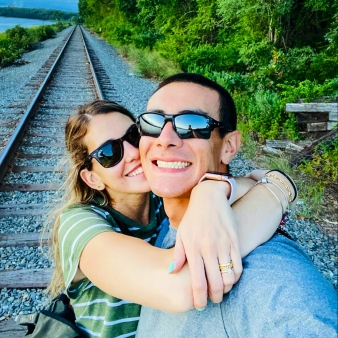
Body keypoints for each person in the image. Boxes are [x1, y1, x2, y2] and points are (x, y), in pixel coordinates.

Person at [47, 99, 295, 338]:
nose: (133, 153)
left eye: (134, 135)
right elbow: (179, 285)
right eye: (110, 153)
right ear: (93, 179)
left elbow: (248, 184)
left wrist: (212, 190)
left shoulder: (163, 199)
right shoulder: (78, 224)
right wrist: (281, 191)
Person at [136, 73, 338, 337]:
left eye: (192, 124)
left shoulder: (270, 271)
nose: (165, 138)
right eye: (152, 122)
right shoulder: (162, 220)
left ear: (229, 146)